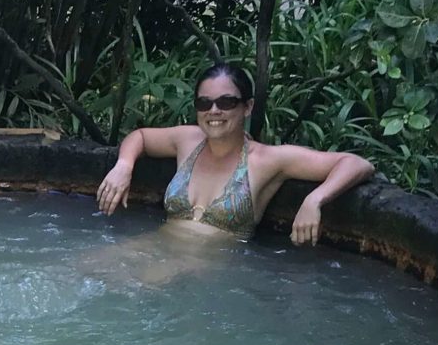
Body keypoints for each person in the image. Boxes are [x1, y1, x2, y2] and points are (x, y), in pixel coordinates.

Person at [94, 62, 373, 244]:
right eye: (204, 103)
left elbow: (356, 164)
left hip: (202, 278)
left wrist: (315, 200)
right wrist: (124, 165)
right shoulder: (188, 140)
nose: (214, 111)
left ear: (247, 107)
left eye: (226, 102)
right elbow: (140, 136)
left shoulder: (265, 160)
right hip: (148, 248)